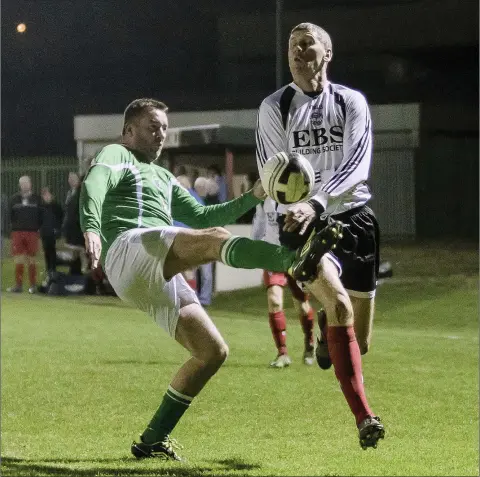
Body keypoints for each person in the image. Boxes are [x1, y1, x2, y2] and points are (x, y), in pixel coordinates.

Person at [80, 98, 336, 461]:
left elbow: (201, 216)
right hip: (127, 249)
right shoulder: (115, 155)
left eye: (164, 129)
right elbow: (94, 184)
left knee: (211, 352)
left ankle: (152, 440)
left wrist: (254, 195)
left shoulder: (165, 177)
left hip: (151, 267)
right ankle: (293, 261)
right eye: (153, 127)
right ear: (128, 131)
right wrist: (91, 227)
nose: (160, 135)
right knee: (216, 238)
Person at [255, 22, 385, 449]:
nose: (297, 50)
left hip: (355, 219)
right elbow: (273, 171)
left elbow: (356, 166)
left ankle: (329, 323)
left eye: (307, 43)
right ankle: (365, 417)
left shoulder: (351, 103)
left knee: (357, 342)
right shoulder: (275, 106)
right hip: (303, 224)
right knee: (341, 303)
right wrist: (300, 207)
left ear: (326, 53)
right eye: (292, 45)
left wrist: (318, 200)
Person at [252, 197, 315, 368]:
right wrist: (255, 248)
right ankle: (282, 353)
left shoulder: (296, 195)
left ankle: (309, 343)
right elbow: (259, 226)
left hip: (294, 255)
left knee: (302, 305)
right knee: (274, 300)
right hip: (273, 255)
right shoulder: (264, 200)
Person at [7, 176, 42, 293]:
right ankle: (18, 285)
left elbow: (41, 215)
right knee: (19, 259)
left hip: (32, 232)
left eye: (26, 183)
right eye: (22, 183)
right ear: (19, 185)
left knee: (31, 259)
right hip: (17, 232)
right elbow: (10, 216)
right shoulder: (14, 199)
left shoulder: (37, 199)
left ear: (30, 184)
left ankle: (33, 285)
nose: (24, 185)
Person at [62, 172, 86, 275]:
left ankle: (83, 271)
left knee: (80, 250)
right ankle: (74, 271)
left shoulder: (82, 193)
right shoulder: (69, 193)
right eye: (70, 179)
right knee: (72, 250)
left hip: (78, 228)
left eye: (74, 178)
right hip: (70, 228)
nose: (71, 180)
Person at [39, 187, 63, 279]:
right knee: (46, 251)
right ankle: (48, 269)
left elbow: (60, 218)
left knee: (52, 251)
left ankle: (53, 269)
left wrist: (58, 229)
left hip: (53, 232)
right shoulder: (41, 207)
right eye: (44, 195)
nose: (46, 197)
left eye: (47, 194)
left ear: (52, 195)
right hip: (45, 232)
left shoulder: (56, 206)